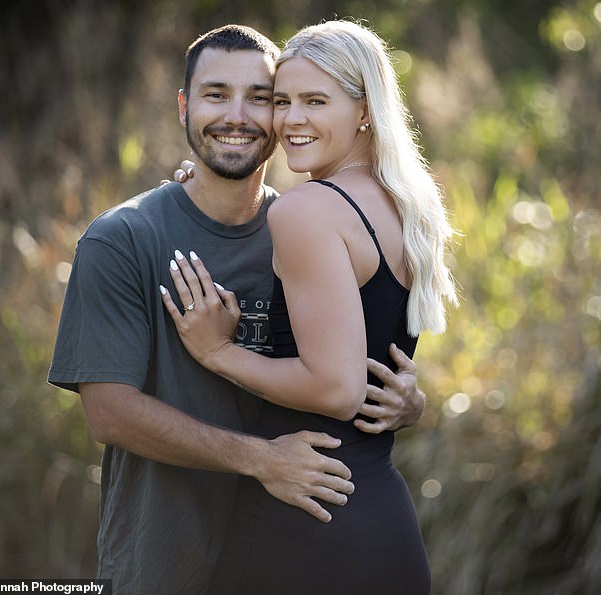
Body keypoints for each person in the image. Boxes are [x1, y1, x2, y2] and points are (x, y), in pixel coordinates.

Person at [48, 24, 425, 595]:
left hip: (295, 545)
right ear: (184, 106)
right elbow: (110, 413)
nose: (238, 115)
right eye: (216, 94)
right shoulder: (122, 239)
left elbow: (356, 359)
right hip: (165, 561)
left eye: (262, 98)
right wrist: (260, 459)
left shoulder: (308, 226)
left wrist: (411, 400)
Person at [160, 20, 457, 595]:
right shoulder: (404, 202)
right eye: (283, 100)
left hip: (305, 529)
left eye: (315, 101)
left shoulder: (308, 211)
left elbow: (336, 390)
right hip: (382, 525)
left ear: (364, 109)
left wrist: (218, 352)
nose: (291, 119)